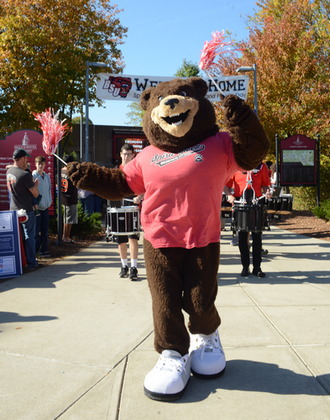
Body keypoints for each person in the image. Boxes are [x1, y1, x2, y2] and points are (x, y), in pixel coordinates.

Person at [225, 162, 271, 278]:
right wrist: (229, 195)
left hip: (257, 203)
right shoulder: (235, 166)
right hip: (241, 203)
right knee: (242, 237)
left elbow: (265, 185)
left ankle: (257, 268)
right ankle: (245, 267)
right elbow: (226, 185)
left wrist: (267, 192)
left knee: (257, 237)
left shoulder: (262, 167)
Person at [109, 144, 142, 281]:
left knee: (132, 238)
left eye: (129, 154)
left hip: (133, 208)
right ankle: (124, 266)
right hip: (119, 208)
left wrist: (140, 197)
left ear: (133, 155)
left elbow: (145, 187)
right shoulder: (116, 172)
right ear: (120, 155)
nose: (127, 156)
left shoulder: (137, 171)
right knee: (121, 240)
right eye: (124, 154)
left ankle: (134, 267)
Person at [6, 148, 39, 270]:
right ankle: (31, 263)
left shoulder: (9, 171)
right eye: (26, 158)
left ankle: (19, 263)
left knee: (17, 238)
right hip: (26, 210)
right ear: (21, 159)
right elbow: (35, 194)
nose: (27, 160)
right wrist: (35, 185)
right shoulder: (24, 175)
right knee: (30, 237)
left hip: (13, 209)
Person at [32, 156, 52, 258]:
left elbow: (49, 190)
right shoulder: (33, 175)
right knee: (36, 232)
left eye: (42, 164)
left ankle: (44, 250)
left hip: (46, 207)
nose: (41, 166)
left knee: (44, 231)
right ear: (35, 164)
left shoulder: (47, 176)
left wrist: (49, 201)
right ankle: (35, 252)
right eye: (39, 163)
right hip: (37, 208)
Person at [61, 155, 78, 243]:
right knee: (69, 219)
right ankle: (66, 237)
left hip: (64, 198)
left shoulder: (61, 171)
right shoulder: (70, 172)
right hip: (70, 198)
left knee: (66, 218)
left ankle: (65, 236)